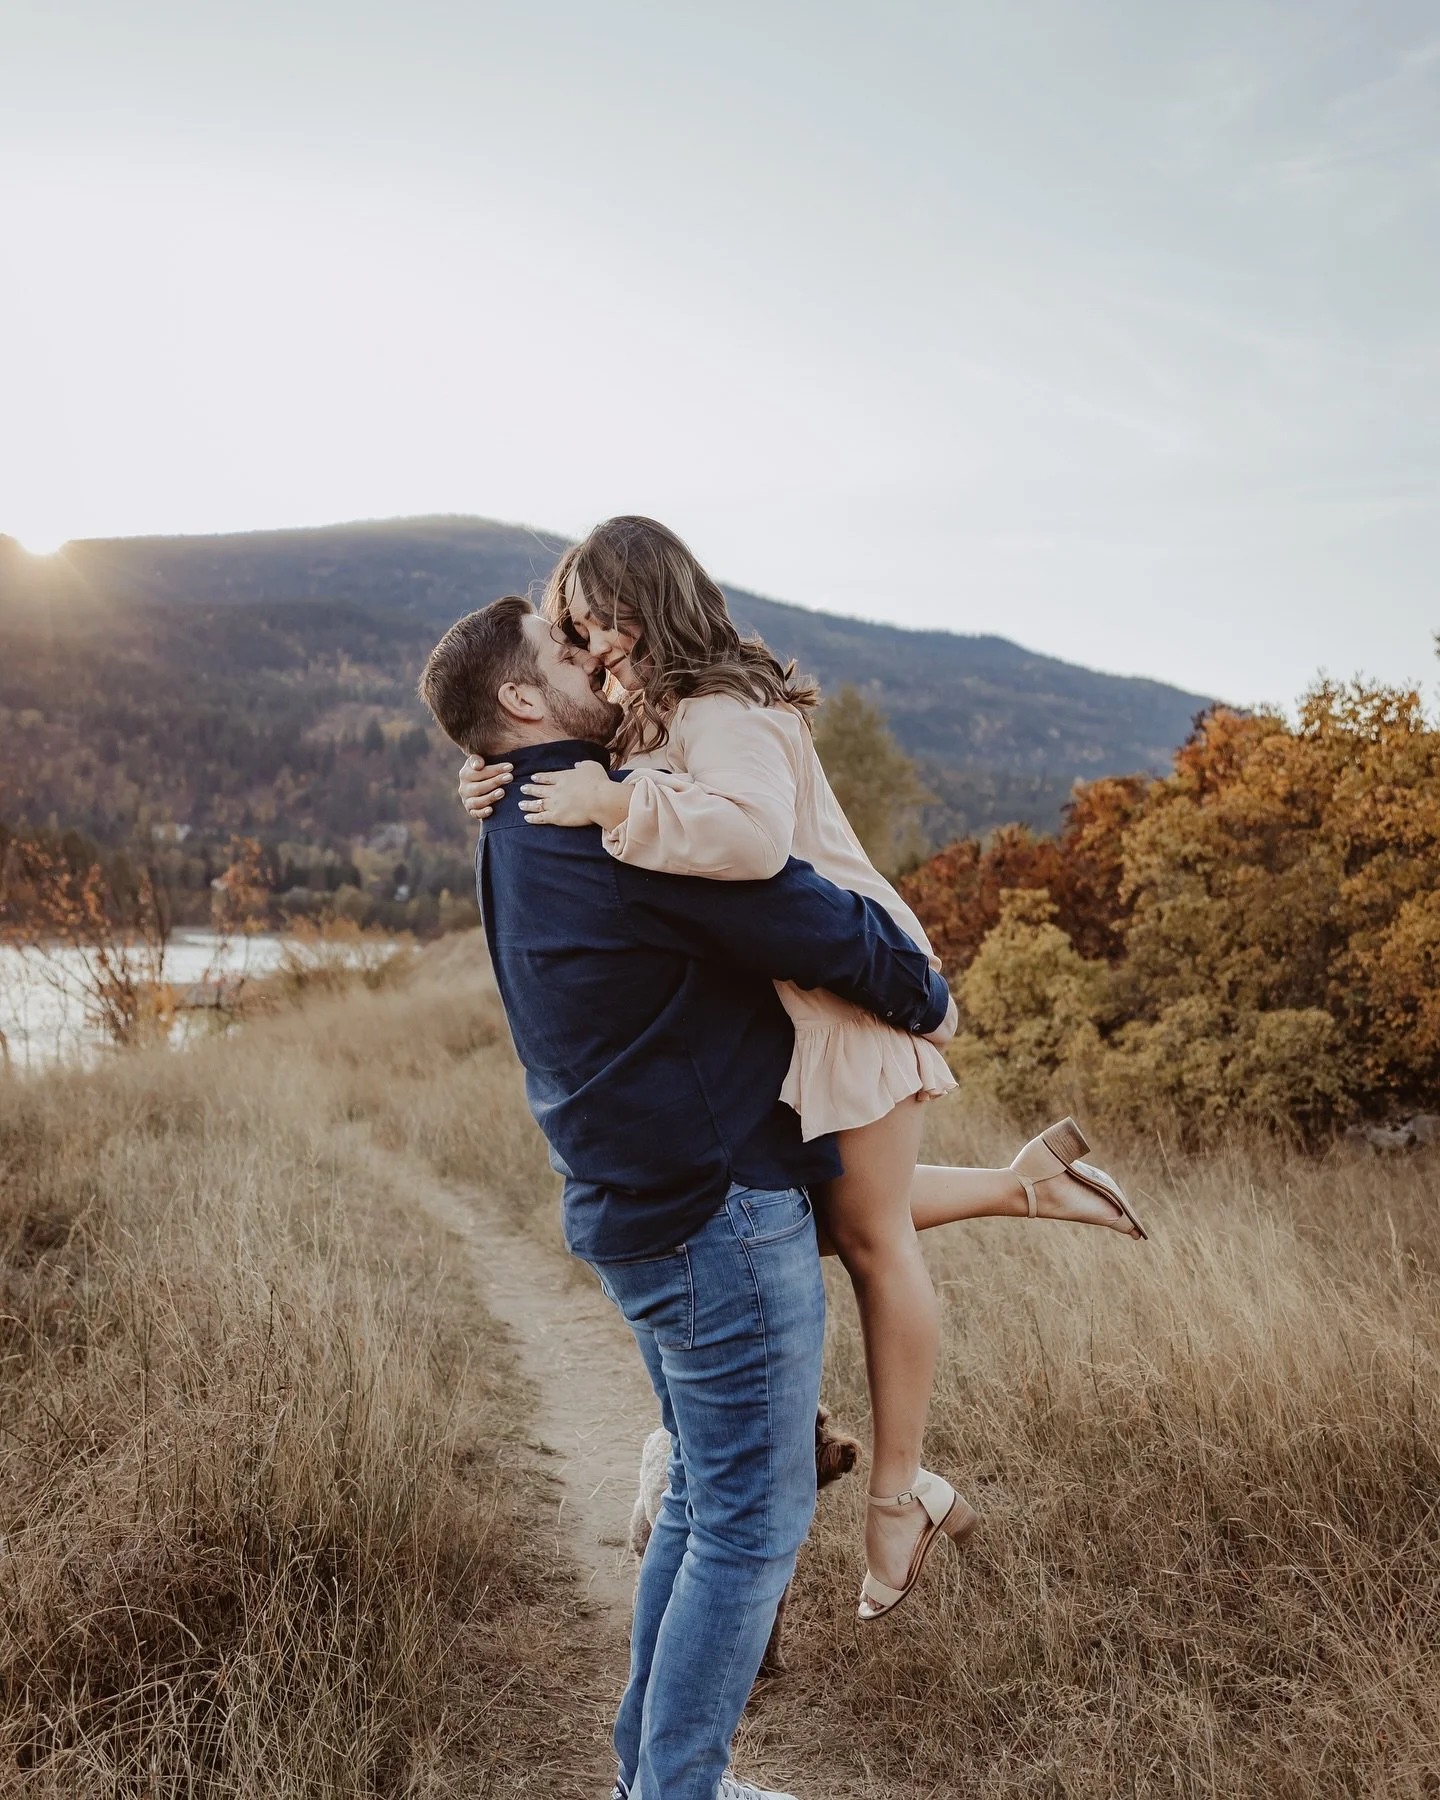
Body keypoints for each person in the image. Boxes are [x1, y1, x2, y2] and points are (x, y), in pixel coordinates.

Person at [457, 517, 1147, 1622]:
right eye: (568, 625)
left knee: (865, 1240)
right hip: (802, 994)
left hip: (852, 985)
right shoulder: (660, 709)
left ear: (642, 604)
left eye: (588, 616)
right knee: (811, 1214)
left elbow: (749, 849)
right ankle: (1030, 1187)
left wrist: (612, 800)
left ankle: (896, 1494)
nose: (582, 641)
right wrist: (495, 769)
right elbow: (579, 762)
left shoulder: (725, 708)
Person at [418, 594, 965, 1800]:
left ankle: (656, 1778)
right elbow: (790, 911)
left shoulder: (517, 813)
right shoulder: (612, 830)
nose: (601, 657)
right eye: (569, 652)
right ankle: (676, 1791)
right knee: (751, 1520)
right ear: (520, 702)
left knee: (705, 1494)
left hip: (636, 1211)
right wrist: (920, 992)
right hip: (714, 1209)